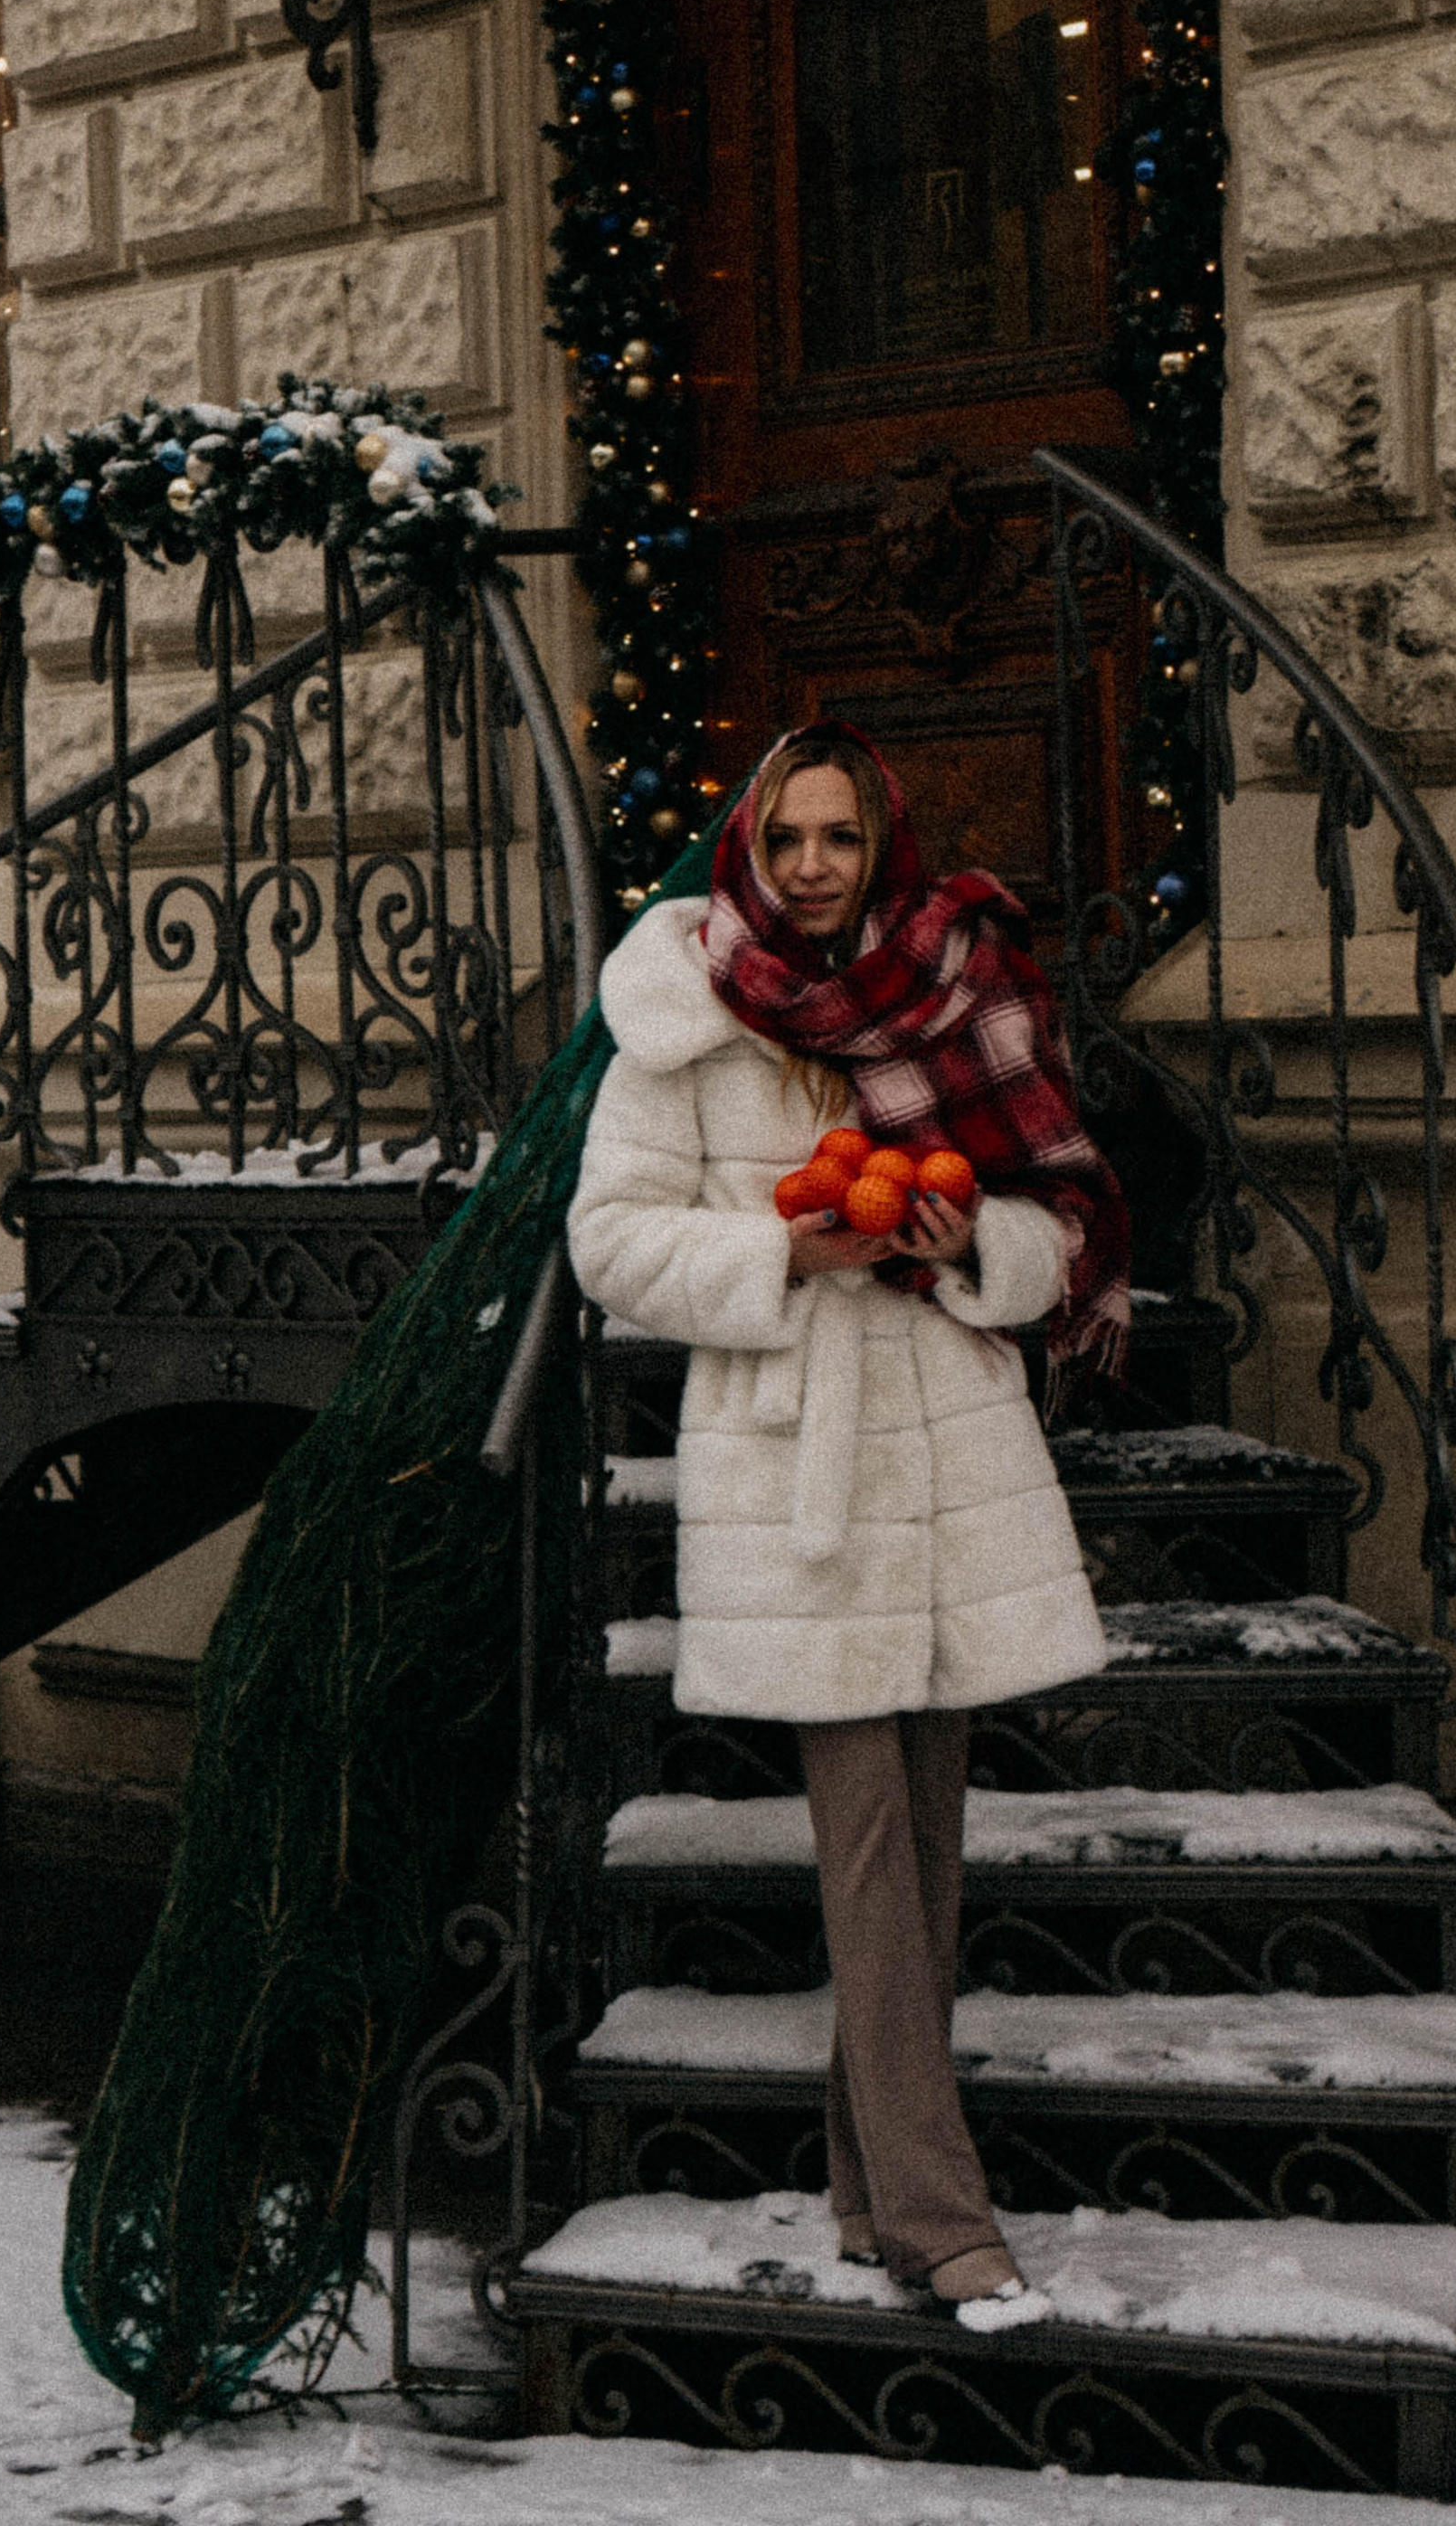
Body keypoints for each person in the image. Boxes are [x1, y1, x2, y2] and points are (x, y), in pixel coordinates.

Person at [567, 721, 1128, 2329]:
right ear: (751, 845)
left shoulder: (958, 992)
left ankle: (870, 2196)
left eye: (839, 839)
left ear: (877, 843)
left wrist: (972, 1246)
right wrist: (782, 1258)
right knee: (872, 1863)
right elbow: (609, 1241)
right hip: (798, 1475)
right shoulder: (683, 1020)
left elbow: (1060, 1220)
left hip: (946, 1460)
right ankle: (955, 2229)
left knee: (933, 1855)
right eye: (788, 839)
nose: (814, 868)